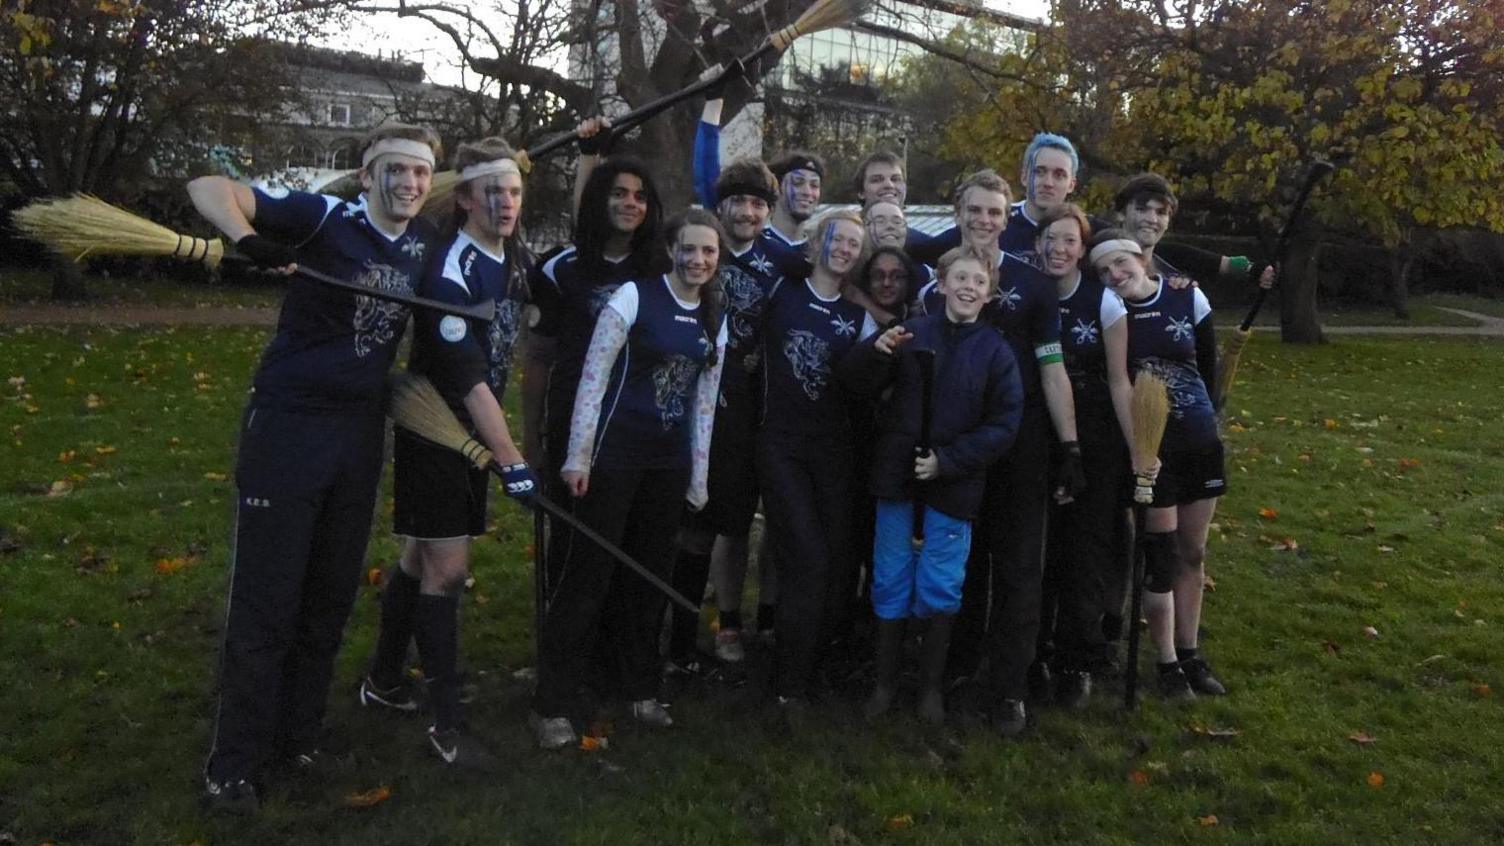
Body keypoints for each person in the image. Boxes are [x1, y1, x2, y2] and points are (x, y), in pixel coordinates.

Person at [190, 123, 441, 814]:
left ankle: (296, 739)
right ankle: (231, 765)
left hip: (360, 437)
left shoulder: (423, 241)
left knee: (328, 598)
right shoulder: (323, 216)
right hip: (290, 429)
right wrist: (249, 240)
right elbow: (208, 188)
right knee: (267, 603)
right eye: (394, 170)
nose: (408, 184)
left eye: (420, 173)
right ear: (367, 175)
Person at [357, 137, 538, 769]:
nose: (506, 202)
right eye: (493, 191)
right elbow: (468, 379)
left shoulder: (510, 251)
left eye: (515, 191)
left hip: (471, 428)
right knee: (448, 570)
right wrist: (512, 459)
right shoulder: (448, 272)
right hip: (439, 430)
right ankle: (447, 725)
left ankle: (382, 680)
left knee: (418, 555)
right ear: (462, 199)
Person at [530, 208, 728, 748]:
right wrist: (577, 456)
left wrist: (699, 475)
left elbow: (705, 402)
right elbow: (592, 379)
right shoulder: (634, 298)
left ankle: (639, 687)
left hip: (667, 467)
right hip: (613, 460)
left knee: (648, 580)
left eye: (709, 251)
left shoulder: (715, 313)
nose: (698, 260)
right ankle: (555, 703)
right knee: (586, 580)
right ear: (671, 249)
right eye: (689, 249)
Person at [916, 169, 1082, 736]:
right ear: (958, 212)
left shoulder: (1033, 286)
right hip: (956, 445)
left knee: (1017, 567)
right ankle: (955, 668)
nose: (985, 221)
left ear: (1009, 217)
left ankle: (1009, 686)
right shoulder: (937, 276)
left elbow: (1053, 367)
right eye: (975, 210)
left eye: (995, 212)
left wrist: (1070, 444)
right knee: (960, 560)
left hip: (1022, 443)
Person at [841, 244, 1023, 724]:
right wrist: (873, 354)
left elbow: (1004, 424)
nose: (968, 288)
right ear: (940, 286)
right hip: (897, 482)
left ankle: (929, 687)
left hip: (953, 488)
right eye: (959, 279)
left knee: (941, 584)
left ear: (989, 293)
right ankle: (884, 682)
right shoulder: (908, 334)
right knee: (891, 577)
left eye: (978, 282)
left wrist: (948, 461)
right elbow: (856, 385)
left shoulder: (996, 352)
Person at [1089, 227, 1228, 701]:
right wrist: (1141, 452)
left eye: (1120, 263)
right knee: (1161, 559)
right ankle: (1167, 663)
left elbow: (1208, 368)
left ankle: (1191, 655)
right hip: (1153, 450)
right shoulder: (1111, 311)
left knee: (1194, 553)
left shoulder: (1186, 296)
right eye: (1104, 271)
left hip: (1200, 443)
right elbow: (1116, 381)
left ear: (1140, 258)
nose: (1115, 275)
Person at [757, 209, 878, 712]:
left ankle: (818, 665)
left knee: (836, 562)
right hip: (780, 444)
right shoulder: (780, 292)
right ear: (816, 241)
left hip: (834, 449)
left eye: (855, 243)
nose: (845, 248)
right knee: (804, 557)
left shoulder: (859, 315)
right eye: (837, 238)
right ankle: (789, 683)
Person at [669, 157, 785, 670]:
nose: (749, 211)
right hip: (689, 400)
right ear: (722, 205)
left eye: (759, 203)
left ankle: (729, 623)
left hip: (743, 409)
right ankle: (674, 630)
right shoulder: (697, 249)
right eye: (739, 200)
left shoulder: (780, 263)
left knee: (733, 522)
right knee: (687, 522)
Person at [1033, 204, 1135, 707]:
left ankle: (1078, 656)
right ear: (1037, 245)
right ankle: (1033, 651)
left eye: (1070, 240)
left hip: (1095, 436)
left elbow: (1120, 380)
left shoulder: (1104, 303)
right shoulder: (1025, 293)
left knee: (1085, 549)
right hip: (1037, 431)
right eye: (1050, 238)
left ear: (1083, 249)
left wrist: (1140, 452)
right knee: (1038, 547)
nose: (1058, 248)